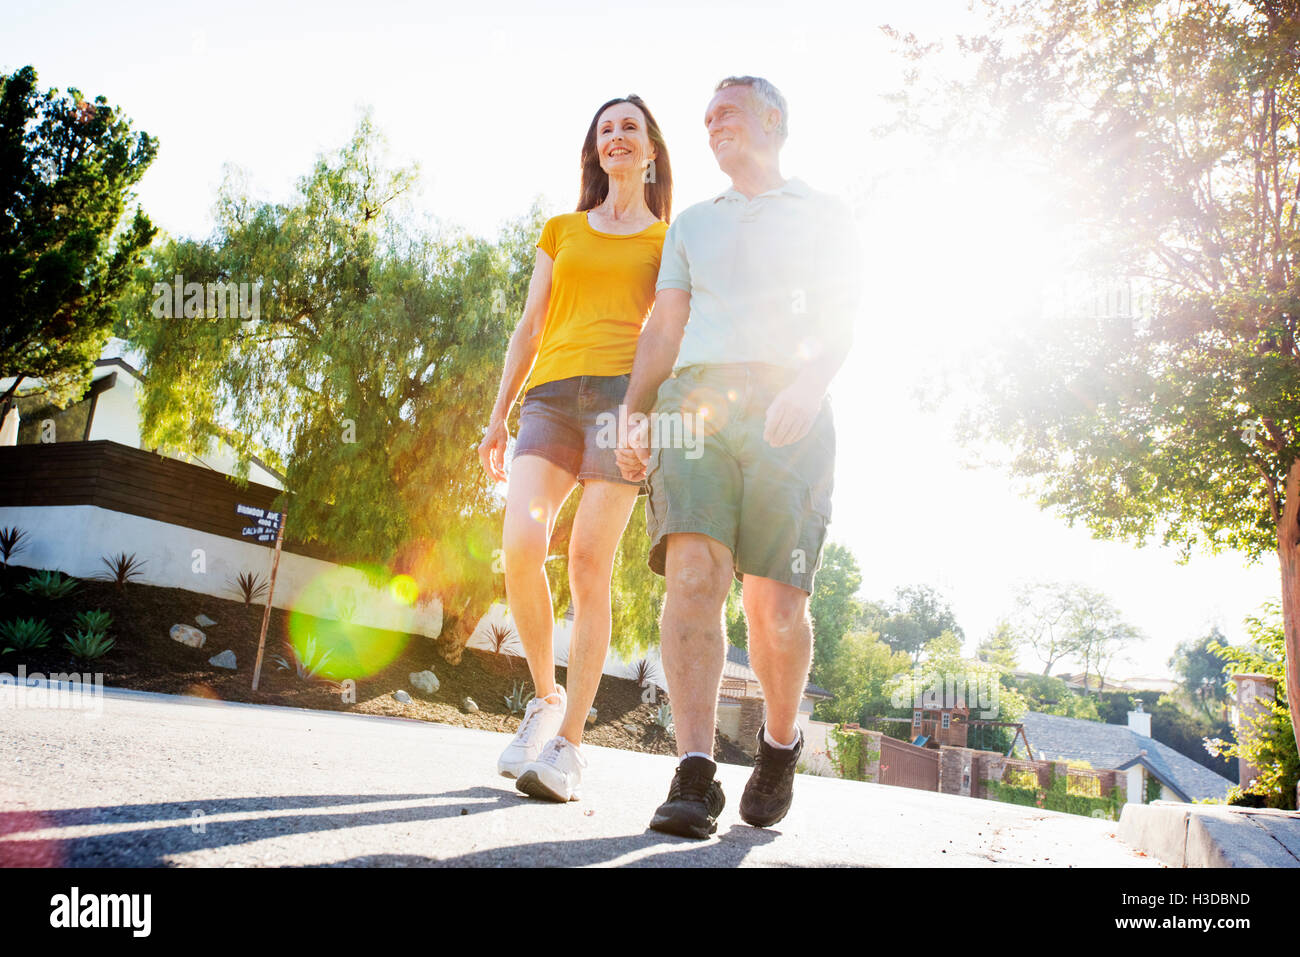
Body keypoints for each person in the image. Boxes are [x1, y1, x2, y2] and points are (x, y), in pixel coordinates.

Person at [616, 76, 863, 837]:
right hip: (695, 403)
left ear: (772, 119)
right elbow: (665, 325)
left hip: (790, 404)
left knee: (776, 605)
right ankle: (694, 771)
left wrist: (811, 383)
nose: (711, 123)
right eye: (707, 117)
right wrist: (632, 412)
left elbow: (841, 313)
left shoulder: (824, 215)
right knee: (693, 571)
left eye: (726, 110)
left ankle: (780, 746)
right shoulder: (692, 222)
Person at [478, 94, 672, 803]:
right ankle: (543, 699)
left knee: (590, 561)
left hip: (620, 405)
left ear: (651, 150)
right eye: (606, 129)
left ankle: (571, 747)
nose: (617, 137)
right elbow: (529, 327)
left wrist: (644, 418)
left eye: (631, 128)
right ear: (594, 150)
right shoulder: (561, 228)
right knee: (522, 548)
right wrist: (499, 415)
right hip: (552, 399)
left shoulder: (667, 241)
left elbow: (668, 338)